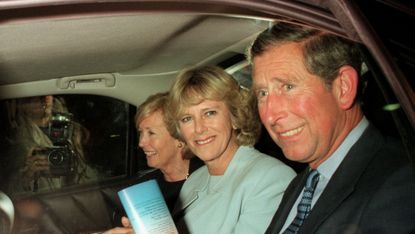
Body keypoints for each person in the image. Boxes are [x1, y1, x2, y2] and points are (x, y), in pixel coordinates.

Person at [248, 21, 415, 233]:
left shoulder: (399, 182)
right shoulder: (302, 184)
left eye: (288, 87)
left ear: (343, 87)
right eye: (262, 94)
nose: (270, 115)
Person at [167, 65, 296, 234]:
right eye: (187, 118)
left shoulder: (271, 178)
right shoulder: (194, 181)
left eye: (210, 113)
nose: (198, 128)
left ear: (235, 117)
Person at [104, 92, 202, 234]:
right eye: (141, 133)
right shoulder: (143, 186)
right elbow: (119, 215)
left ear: (179, 139)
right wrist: (125, 222)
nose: (141, 143)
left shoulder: (206, 180)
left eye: (151, 133)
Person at [0, 95, 95, 194]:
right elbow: (7, 191)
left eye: (44, 95)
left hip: (77, 195)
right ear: (18, 105)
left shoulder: (72, 129)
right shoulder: (15, 142)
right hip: (46, 201)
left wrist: (78, 153)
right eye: (30, 98)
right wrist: (27, 176)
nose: (40, 99)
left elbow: (91, 175)